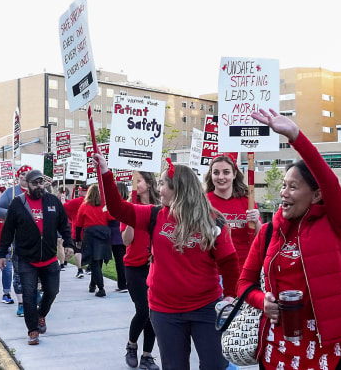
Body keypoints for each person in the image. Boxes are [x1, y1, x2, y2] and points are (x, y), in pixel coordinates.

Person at [238, 109, 341, 370]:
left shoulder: (337, 227)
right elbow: (243, 283)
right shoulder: (268, 233)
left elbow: (329, 180)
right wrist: (262, 301)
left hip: (323, 352)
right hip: (275, 348)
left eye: (293, 186)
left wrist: (296, 137)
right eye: (283, 185)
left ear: (317, 195)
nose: (284, 192)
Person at [94, 153, 239, 370]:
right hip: (165, 311)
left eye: (163, 184)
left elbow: (229, 263)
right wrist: (105, 173)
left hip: (206, 308)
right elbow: (118, 209)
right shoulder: (154, 215)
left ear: (178, 188)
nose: (158, 188)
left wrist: (229, 296)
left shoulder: (213, 219)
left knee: (216, 365)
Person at [0, 169, 75, 345]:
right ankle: (33, 330)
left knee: (52, 291)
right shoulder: (18, 203)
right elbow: (8, 231)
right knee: (29, 295)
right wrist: (2, 254)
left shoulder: (53, 201)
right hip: (26, 259)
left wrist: (70, 243)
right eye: (35, 183)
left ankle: (41, 315)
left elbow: (64, 224)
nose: (39, 186)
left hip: (49, 258)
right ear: (27, 184)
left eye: (41, 182)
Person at [120, 172, 160, 369]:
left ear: (149, 183)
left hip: (156, 266)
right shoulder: (129, 209)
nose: (135, 184)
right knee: (143, 309)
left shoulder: (160, 206)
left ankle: (147, 355)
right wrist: (131, 218)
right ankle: (131, 345)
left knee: (153, 312)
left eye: (139, 180)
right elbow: (126, 241)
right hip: (134, 267)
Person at [204, 154, 262, 269]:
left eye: (226, 172)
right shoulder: (203, 202)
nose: (221, 177)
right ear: (211, 175)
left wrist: (256, 222)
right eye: (216, 172)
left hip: (245, 268)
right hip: (215, 270)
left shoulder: (247, 201)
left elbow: (260, 237)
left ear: (234, 174)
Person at [0, 165, 32, 316]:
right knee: (19, 272)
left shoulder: (38, 191)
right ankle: (21, 303)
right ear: (18, 176)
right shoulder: (12, 192)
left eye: (28, 174)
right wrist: (13, 214)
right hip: (17, 238)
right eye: (23, 174)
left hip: (38, 239)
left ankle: (35, 294)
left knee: (38, 270)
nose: (25, 176)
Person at [75, 184, 113, 297]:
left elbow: (78, 224)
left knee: (94, 261)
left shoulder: (84, 206)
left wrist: (78, 239)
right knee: (98, 260)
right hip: (104, 233)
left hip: (90, 234)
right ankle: (92, 285)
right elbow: (111, 219)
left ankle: (101, 288)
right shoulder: (104, 206)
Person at [64, 185, 88, 278]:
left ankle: (80, 269)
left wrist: (63, 200)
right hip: (90, 231)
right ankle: (90, 268)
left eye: (79, 190)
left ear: (81, 191)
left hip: (77, 229)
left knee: (78, 251)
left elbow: (64, 208)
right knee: (90, 251)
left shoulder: (76, 201)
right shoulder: (95, 201)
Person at [110, 182, 128, 292]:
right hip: (127, 236)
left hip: (116, 237)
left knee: (120, 262)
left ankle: (122, 284)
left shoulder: (115, 204)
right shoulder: (130, 203)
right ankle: (127, 282)